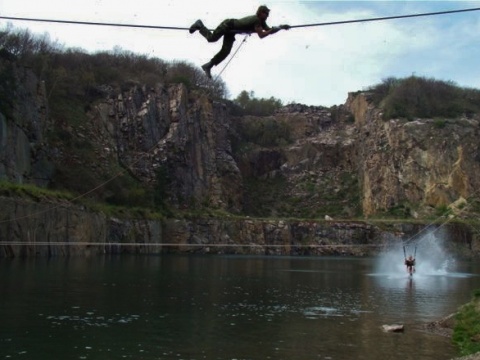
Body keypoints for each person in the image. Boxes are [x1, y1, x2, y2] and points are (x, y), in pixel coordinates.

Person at [189, 5, 290, 79]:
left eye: (268, 14)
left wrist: (280, 27)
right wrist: (274, 30)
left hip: (232, 31)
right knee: (211, 39)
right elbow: (262, 35)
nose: (267, 15)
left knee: (226, 51)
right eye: (266, 13)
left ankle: (209, 65)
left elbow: (268, 30)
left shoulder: (262, 22)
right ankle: (200, 25)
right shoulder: (257, 20)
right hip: (228, 25)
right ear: (260, 12)